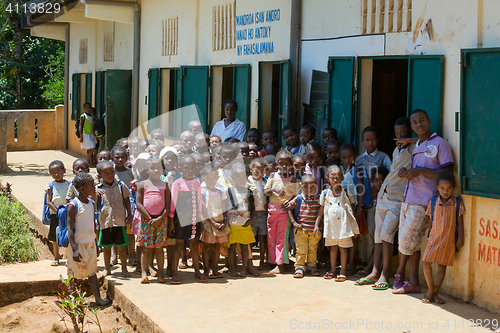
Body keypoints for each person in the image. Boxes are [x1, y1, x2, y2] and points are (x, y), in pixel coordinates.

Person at [393, 109, 454, 294]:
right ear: (411, 127)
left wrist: (419, 170)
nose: (419, 124)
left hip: (424, 201)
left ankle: (401, 275)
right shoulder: (418, 143)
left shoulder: (440, 144)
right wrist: (408, 172)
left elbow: (447, 174)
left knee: (406, 240)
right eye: (414, 123)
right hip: (409, 198)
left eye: (421, 121)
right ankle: (413, 282)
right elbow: (418, 167)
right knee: (411, 242)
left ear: (429, 121)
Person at [356, 117, 415, 289]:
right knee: (379, 236)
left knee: (388, 236)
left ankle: (385, 274)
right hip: (383, 197)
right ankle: (374, 272)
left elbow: (424, 139)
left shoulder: (414, 148)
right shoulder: (397, 151)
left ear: (410, 132)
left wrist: (408, 140)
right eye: (397, 133)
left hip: (397, 199)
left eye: (403, 132)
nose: (400, 136)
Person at [421, 172, 465, 304]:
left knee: (442, 267)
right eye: (442, 188)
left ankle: (435, 292)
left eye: (449, 189)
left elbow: (460, 222)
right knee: (426, 262)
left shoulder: (457, 203)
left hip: (448, 240)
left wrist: (460, 238)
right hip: (434, 238)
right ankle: (431, 290)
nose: (445, 191)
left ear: (454, 188)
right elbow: (429, 220)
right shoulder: (433, 203)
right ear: (437, 188)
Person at [67, 173, 109, 305]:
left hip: (90, 244)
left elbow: (92, 225)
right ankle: (73, 301)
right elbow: (70, 228)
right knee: (72, 275)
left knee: (92, 273)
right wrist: (74, 249)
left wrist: (96, 244)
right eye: (91, 185)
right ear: (81, 188)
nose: (94, 187)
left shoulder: (91, 203)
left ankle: (98, 298)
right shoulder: (74, 205)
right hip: (78, 246)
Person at [169, 155, 207, 284]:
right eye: (186, 168)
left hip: (194, 219)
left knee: (194, 246)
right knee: (179, 245)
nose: (190, 170)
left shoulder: (197, 183)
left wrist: (200, 219)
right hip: (180, 220)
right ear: (180, 168)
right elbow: (173, 203)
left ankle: (197, 272)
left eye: (192, 168)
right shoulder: (177, 183)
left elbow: (200, 201)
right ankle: (174, 273)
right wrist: (171, 221)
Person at [319, 165, 360, 281]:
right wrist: (317, 224)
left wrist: (354, 226)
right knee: (333, 248)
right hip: (331, 226)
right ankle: (332, 269)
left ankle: (342, 271)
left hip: (343, 226)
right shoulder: (325, 193)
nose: (335, 180)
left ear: (342, 178)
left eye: (338, 177)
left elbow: (351, 209)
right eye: (332, 177)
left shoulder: (346, 192)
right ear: (327, 178)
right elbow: (321, 209)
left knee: (343, 248)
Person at [264, 150, 301, 274]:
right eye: (281, 163)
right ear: (277, 164)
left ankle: (280, 265)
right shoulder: (273, 176)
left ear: (292, 164)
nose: (284, 166)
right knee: (271, 237)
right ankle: (273, 261)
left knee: (282, 238)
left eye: (287, 163)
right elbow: (265, 191)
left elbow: (299, 195)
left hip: (285, 213)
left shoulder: (294, 179)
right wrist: (274, 188)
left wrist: (291, 201)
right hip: (272, 212)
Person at [135, 157, 171, 284]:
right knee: (146, 248)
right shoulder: (142, 184)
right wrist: (149, 218)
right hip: (146, 221)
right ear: (147, 169)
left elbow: (168, 205)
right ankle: (144, 272)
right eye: (152, 168)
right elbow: (138, 204)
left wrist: (160, 218)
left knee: (159, 248)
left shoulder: (165, 185)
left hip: (161, 221)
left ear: (163, 169)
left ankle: (161, 272)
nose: (156, 170)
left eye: (159, 168)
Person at [96, 161, 132, 278]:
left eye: (112, 172)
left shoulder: (121, 185)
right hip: (105, 223)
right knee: (106, 247)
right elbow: (93, 203)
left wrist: (129, 215)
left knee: (121, 246)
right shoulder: (98, 189)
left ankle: (124, 268)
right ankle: (107, 268)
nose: (110, 175)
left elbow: (127, 200)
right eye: (106, 173)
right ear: (100, 175)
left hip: (120, 221)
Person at [287, 174, 322, 278]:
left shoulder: (319, 199)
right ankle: (299, 267)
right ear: (302, 187)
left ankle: (312, 266)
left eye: (312, 186)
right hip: (301, 230)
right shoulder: (299, 198)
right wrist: (294, 222)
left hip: (314, 231)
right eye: (306, 186)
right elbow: (288, 207)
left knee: (312, 249)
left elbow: (322, 211)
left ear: (316, 186)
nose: (309, 189)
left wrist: (320, 223)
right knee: (301, 249)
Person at [340, 143, 366, 274]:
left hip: (353, 208)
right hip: (342, 209)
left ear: (355, 157)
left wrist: (359, 209)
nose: (347, 160)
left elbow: (361, 189)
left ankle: (351, 262)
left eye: (350, 157)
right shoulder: (341, 171)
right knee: (344, 236)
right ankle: (345, 262)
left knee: (353, 236)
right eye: (344, 157)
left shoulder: (355, 170)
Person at [200, 165, 230, 278]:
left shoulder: (221, 192)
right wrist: (213, 223)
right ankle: (207, 270)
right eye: (208, 178)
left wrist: (225, 222)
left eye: (213, 178)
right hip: (208, 223)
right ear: (203, 178)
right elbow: (203, 209)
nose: (211, 180)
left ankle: (215, 269)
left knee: (217, 246)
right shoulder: (203, 192)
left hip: (220, 223)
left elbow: (225, 208)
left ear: (217, 178)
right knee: (207, 247)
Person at [227, 163, 256, 277]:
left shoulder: (249, 191)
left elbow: (253, 207)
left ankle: (244, 268)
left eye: (243, 176)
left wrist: (251, 219)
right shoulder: (229, 191)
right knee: (232, 247)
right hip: (232, 224)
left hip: (245, 224)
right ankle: (232, 268)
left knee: (245, 246)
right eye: (237, 176)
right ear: (233, 177)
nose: (240, 179)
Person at [112, 145, 135, 265]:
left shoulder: (130, 173)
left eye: (122, 157)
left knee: (129, 232)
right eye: (117, 157)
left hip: (128, 205)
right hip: (114, 206)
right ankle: (114, 256)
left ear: (127, 158)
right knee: (114, 230)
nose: (120, 160)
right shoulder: (110, 173)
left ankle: (131, 254)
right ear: (112, 158)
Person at [45, 160, 70, 266]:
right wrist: (58, 212)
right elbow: (48, 202)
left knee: (69, 235)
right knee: (55, 237)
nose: (56, 174)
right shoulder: (50, 185)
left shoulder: (69, 184)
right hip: (55, 215)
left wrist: (66, 211)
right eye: (53, 172)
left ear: (64, 170)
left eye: (58, 171)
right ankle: (56, 257)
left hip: (68, 214)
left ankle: (69, 258)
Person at [248, 158, 268, 269]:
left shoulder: (265, 182)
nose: (259, 173)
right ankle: (249, 262)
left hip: (263, 214)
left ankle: (262, 261)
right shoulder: (247, 182)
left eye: (262, 170)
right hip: (252, 215)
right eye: (257, 170)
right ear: (251, 170)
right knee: (250, 239)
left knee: (262, 238)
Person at [79, 102, 96, 167]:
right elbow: (80, 126)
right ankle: (86, 162)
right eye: (86, 108)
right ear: (84, 108)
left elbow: (95, 121)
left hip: (91, 133)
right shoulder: (83, 116)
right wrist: (81, 136)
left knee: (90, 148)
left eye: (89, 108)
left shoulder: (92, 115)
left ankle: (90, 162)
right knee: (91, 147)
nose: (87, 109)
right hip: (85, 134)